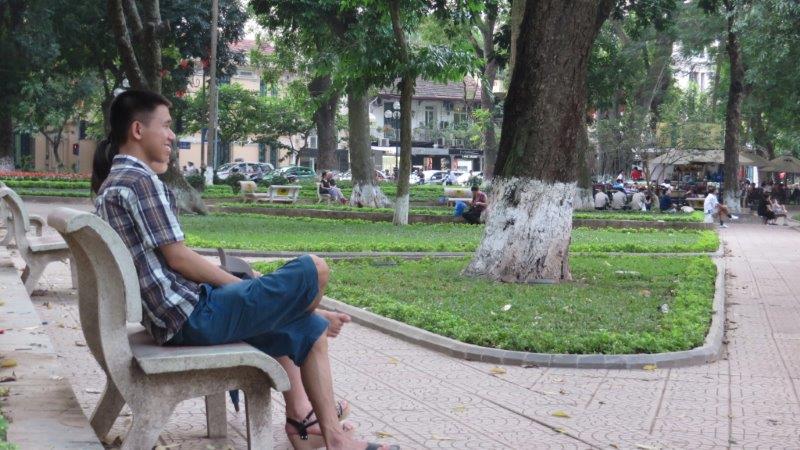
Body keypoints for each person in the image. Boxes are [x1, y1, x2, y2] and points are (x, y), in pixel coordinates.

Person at [90, 90, 398, 450]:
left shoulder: (118, 181)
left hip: (176, 316)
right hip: (190, 317)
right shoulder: (139, 181)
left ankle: (330, 436)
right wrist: (241, 287)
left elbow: (174, 260)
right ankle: (301, 314)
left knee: (311, 330)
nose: (172, 135)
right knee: (314, 269)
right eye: (167, 126)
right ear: (138, 130)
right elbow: (179, 258)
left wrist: (246, 290)